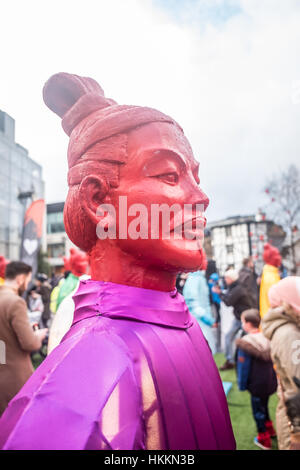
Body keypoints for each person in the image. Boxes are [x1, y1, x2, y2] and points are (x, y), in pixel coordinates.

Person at [0, 72, 235, 450]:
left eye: (195, 176)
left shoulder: (182, 323)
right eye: (170, 174)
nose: (201, 195)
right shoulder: (94, 363)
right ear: (97, 202)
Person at [0, 262, 48, 416]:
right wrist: (38, 336)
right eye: (27, 280)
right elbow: (29, 343)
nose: (27, 285)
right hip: (17, 377)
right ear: (20, 278)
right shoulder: (15, 302)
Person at [262, 276, 300, 450]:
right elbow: (297, 387)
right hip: (294, 422)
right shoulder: (288, 334)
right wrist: (297, 436)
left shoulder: (291, 325)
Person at [236, 309, 277, 450]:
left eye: (243, 321)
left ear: (248, 324)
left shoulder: (246, 343)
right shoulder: (267, 337)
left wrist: (242, 385)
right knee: (264, 406)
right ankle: (270, 430)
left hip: (256, 384)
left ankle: (264, 439)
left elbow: (243, 367)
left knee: (258, 411)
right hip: (269, 381)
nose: (242, 324)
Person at [213, 268, 253, 370]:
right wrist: (221, 292)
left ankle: (248, 362)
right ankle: (230, 360)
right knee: (228, 337)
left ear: (231, 278)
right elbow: (228, 297)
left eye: (226, 277)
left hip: (245, 319)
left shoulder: (238, 288)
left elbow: (228, 301)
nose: (225, 279)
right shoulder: (234, 287)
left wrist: (219, 293)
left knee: (248, 341)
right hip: (239, 318)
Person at [183, 256, 216, 354]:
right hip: (200, 323)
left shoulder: (198, 278)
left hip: (202, 322)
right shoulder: (194, 280)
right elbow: (193, 303)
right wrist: (208, 319)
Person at [259, 243, 281, 319]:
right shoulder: (271, 277)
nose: (279, 257)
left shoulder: (269, 273)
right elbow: (276, 303)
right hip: (273, 319)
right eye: (277, 255)